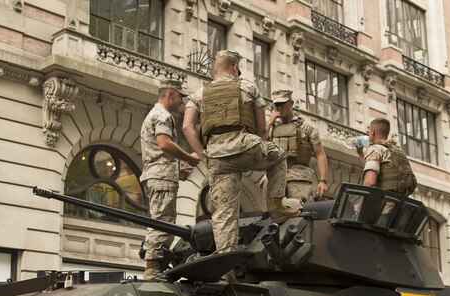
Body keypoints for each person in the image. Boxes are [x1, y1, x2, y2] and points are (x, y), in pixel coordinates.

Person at [182, 49, 303, 259]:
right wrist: (252, 144)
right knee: (279, 157)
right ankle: (275, 205)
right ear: (235, 67)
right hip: (247, 146)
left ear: (215, 69)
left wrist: (203, 155)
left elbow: (187, 127)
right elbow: (262, 130)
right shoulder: (247, 86)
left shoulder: (199, 94)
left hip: (218, 158)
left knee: (225, 212)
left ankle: (225, 262)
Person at [139, 78, 202, 280]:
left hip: (161, 175)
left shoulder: (155, 114)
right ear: (169, 94)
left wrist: (177, 170)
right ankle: (152, 268)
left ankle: (155, 265)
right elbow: (164, 144)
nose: (181, 103)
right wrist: (189, 158)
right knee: (162, 221)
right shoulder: (162, 115)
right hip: (161, 178)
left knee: (162, 220)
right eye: (180, 97)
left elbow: (159, 152)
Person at [265, 89, 329, 202]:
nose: (279, 108)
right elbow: (259, 140)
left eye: (282, 104)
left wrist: (323, 180)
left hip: (299, 177)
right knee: (273, 214)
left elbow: (320, 154)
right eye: (276, 105)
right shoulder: (271, 128)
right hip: (274, 176)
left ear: (291, 103)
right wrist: (270, 121)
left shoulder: (307, 127)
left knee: (299, 212)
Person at [356, 117, 418, 196]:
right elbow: (376, 169)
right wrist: (360, 154)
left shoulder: (375, 149)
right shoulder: (397, 150)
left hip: (385, 201)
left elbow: (370, 182)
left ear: (372, 132)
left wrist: (360, 205)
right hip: (400, 201)